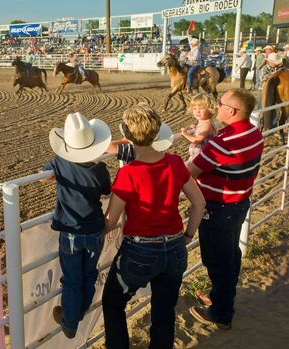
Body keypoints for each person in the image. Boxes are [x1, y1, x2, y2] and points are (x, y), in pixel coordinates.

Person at [102, 105, 206, 349]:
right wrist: (188, 235)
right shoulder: (175, 163)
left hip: (140, 250)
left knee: (113, 302)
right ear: (157, 132)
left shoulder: (129, 173)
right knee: (164, 310)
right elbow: (199, 202)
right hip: (175, 246)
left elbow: (111, 220)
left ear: (126, 133)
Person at [188, 88, 264, 330]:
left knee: (217, 259)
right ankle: (222, 297)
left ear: (231, 111)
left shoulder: (223, 142)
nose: (216, 106)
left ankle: (221, 313)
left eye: (220, 103)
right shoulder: (254, 132)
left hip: (218, 207)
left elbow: (189, 173)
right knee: (231, 254)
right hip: (239, 203)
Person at [41, 112, 112, 339]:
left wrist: (56, 176)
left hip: (71, 231)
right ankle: (78, 311)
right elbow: (106, 191)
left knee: (72, 277)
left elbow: (43, 176)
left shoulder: (60, 163)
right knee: (89, 273)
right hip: (95, 229)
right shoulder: (100, 168)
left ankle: (70, 322)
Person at [181, 93, 217, 163]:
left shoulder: (206, 124)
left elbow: (198, 140)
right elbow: (194, 139)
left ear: (210, 109)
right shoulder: (202, 123)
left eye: (201, 108)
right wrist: (195, 130)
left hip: (202, 158)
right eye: (194, 108)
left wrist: (186, 134)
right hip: (197, 155)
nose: (197, 111)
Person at [257, 52, 283, 120]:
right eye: (275, 62)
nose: (276, 64)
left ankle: (273, 127)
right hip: (263, 90)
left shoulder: (278, 68)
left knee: (274, 109)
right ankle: (260, 124)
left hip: (275, 91)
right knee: (261, 109)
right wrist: (274, 74)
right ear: (269, 62)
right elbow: (263, 78)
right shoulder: (264, 68)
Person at [186, 30, 203, 95]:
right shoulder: (193, 47)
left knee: (189, 74)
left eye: (191, 43)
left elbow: (195, 58)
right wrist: (188, 33)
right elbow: (189, 39)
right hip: (191, 63)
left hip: (195, 64)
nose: (190, 44)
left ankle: (190, 88)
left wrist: (188, 55)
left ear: (193, 44)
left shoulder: (197, 50)